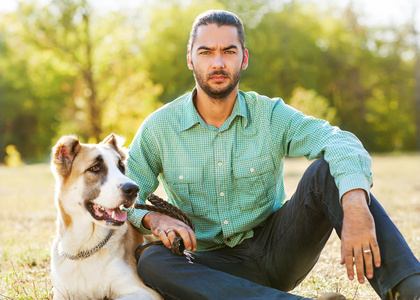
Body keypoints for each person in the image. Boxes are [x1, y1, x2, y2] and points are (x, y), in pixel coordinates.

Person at [126, 10, 420, 300]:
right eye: (206, 52)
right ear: (190, 58)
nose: (217, 62)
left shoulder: (270, 115)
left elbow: (339, 141)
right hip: (210, 267)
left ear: (244, 58)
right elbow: (122, 194)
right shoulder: (158, 129)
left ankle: (408, 290)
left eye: (229, 51)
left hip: (279, 250)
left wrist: (356, 205)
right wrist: (154, 219)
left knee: (326, 171)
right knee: (151, 260)